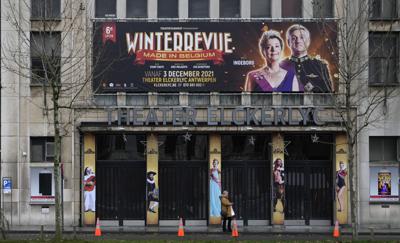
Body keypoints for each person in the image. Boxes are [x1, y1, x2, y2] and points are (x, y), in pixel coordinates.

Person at [280, 24, 333, 92]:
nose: (298, 41)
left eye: (302, 37)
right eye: (293, 38)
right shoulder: (280, 66)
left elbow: (328, 94)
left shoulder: (320, 66)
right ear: (288, 42)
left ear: (308, 41)